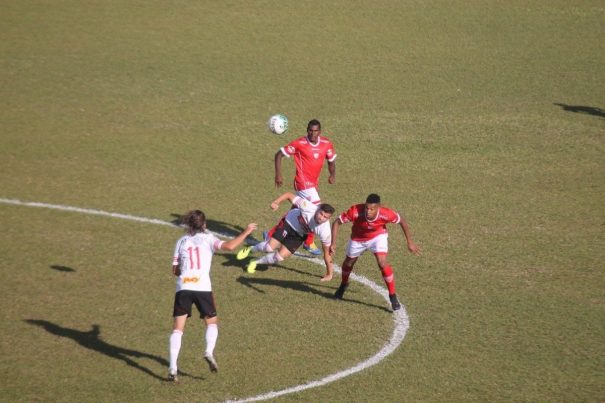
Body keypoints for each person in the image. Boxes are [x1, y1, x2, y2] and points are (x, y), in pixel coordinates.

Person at [168, 210, 257, 381]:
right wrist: (246, 231)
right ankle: (208, 351)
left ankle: (172, 367)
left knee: (178, 329)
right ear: (204, 224)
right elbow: (230, 246)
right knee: (211, 323)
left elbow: (175, 270)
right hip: (202, 287)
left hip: (184, 287)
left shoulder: (181, 241)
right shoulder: (209, 238)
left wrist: (186, 271)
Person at [329, 194, 421, 311]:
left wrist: (410, 242)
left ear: (378, 207)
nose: (368, 211)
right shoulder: (355, 211)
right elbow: (336, 222)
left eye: (372, 209)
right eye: (367, 208)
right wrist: (333, 243)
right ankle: (343, 285)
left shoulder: (386, 213)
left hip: (377, 237)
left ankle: (392, 296)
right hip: (358, 239)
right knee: (348, 263)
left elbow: (402, 221)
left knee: (382, 263)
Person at [270, 119, 337, 256]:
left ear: (320, 131)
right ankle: (308, 241)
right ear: (307, 130)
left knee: (298, 209)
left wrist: (332, 174)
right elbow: (279, 154)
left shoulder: (326, 144)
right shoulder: (299, 143)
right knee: (318, 209)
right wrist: (278, 175)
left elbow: (331, 161)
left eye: (316, 131)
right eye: (310, 131)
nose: (313, 133)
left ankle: (272, 233)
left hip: (313, 184)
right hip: (302, 182)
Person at [236, 192, 335, 281]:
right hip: (289, 223)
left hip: (299, 235)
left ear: (329, 218)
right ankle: (250, 249)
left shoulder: (325, 231)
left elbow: (327, 253)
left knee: (279, 257)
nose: (321, 218)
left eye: (325, 217)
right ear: (317, 209)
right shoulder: (308, 207)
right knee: (269, 247)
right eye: (321, 214)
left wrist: (329, 273)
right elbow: (289, 195)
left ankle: (254, 262)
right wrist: (276, 202)